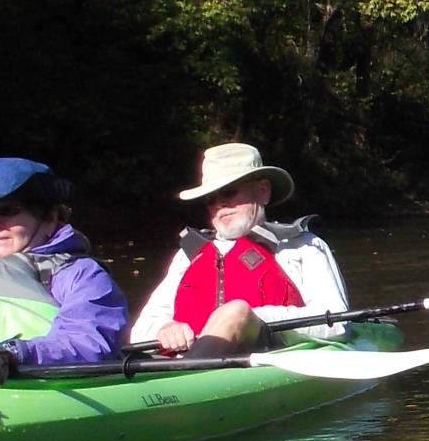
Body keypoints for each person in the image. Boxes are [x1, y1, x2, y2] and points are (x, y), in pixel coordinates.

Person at [130, 143, 350, 356]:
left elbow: (337, 325)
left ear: (263, 191)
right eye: (210, 199)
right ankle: (188, 374)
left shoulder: (303, 246)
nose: (218, 205)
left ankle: (190, 373)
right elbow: (139, 335)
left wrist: (250, 319)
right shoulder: (188, 256)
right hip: (186, 366)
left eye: (228, 193)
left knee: (236, 311)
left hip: (268, 354)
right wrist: (165, 329)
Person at [0, 157, 127, 385]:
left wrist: (12, 354)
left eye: (8, 210)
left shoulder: (81, 275)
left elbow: (88, 342)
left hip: (42, 390)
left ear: (50, 218)